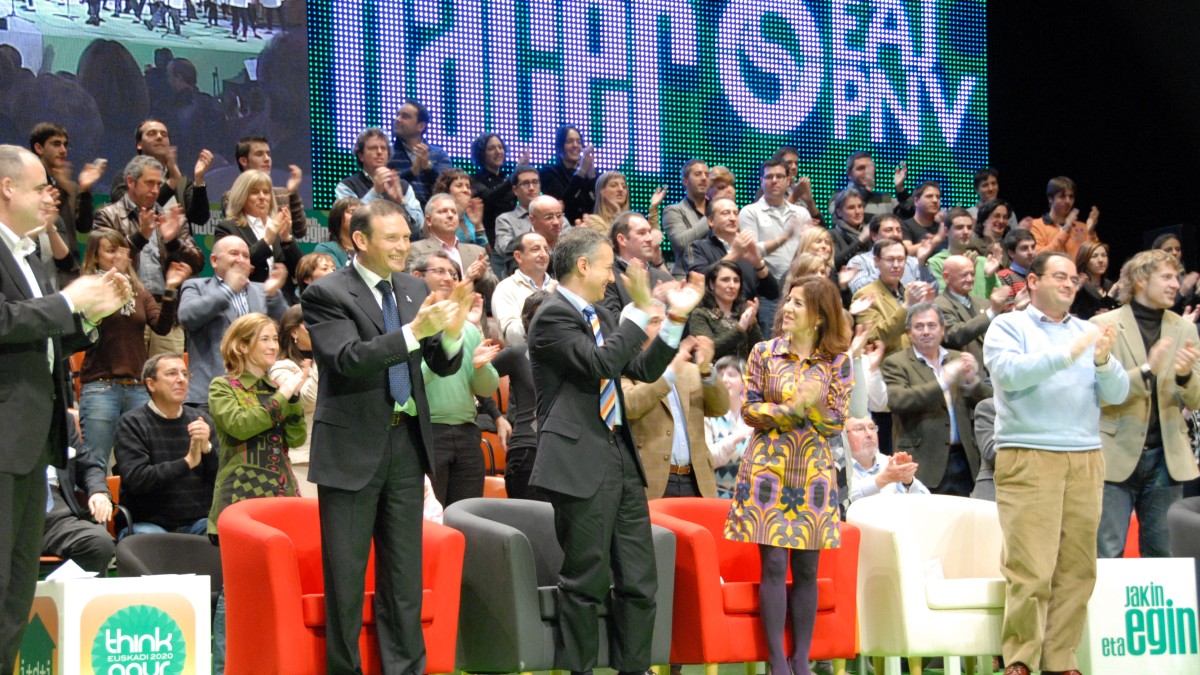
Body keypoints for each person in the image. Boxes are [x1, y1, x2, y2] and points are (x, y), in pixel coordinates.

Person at [301, 198, 471, 673]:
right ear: (360, 240)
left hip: (406, 444)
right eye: (392, 238)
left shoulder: (414, 287)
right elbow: (349, 359)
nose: (403, 247)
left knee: (404, 578)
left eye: (405, 237)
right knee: (347, 579)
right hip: (351, 450)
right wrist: (416, 332)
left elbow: (441, 360)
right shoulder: (327, 293)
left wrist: (453, 331)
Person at [527, 227, 704, 673]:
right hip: (578, 459)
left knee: (640, 581)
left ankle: (635, 668)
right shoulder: (552, 316)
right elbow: (600, 364)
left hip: (620, 457)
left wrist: (675, 321)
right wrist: (637, 314)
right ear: (583, 265)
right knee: (585, 581)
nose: (611, 277)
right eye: (608, 266)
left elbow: (640, 368)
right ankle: (581, 670)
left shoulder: (602, 314)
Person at [0, 144, 129, 666]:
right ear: (7, 188)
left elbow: (46, 337)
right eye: (38, 186)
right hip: (5, 441)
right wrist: (71, 301)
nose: (49, 196)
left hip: (35, 445)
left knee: (15, 594)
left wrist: (92, 315)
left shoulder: (30, 254)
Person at [983, 251, 1129, 675]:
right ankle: (1020, 659)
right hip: (1028, 455)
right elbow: (1009, 375)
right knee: (1031, 568)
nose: (1069, 284)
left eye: (1073, 278)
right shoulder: (1007, 326)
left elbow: (1118, 393)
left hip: (1085, 457)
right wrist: (1069, 354)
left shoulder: (1088, 331)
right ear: (1032, 282)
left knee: (1078, 568)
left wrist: (1100, 360)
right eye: (1059, 276)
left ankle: (1060, 659)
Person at [723, 276, 852, 675]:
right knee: (775, 565)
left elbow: (835, 423)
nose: (788, 309)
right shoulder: (764, 352)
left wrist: (808, 410)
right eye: (788, 301)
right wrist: (794, 409)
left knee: (808, 570)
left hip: (812, 473)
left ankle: (801, 659)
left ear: (819, 316)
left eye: (799, 303)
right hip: (768, 470)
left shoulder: (838, 361)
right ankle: (777, 662)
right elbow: (750, 410)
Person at [206, 312, 308, 671]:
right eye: (264, 339)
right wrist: (283, 394)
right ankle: (225, 666)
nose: (272, 346)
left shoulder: (274, 391)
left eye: (274, 340)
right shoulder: (224, 387)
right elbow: (241, 425)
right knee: (237, 592)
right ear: (242, 345)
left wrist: (292, 396)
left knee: (280, 589)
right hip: (240, 501)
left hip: (281, 497)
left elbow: (297, 437)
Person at [1093, 249, 1200, 558]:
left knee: (1164, 554)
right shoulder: (1104, 326)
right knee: (1107, 551)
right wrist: (1147, 370)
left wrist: (1183, 377)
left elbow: (1195, 398)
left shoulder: (1185, 328)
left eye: (1176, 278)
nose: (1175, 285)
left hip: (1167, 458)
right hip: (1115, 453)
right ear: (1140, 280)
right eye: (1166, 277)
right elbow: (1098, 392)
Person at [77, 229, 189, 472]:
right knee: (97, 463)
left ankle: (131, 510)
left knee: (139, 462)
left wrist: (170, 289)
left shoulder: (138, 291)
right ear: (95, 257)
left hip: (137, 387)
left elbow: (162, 326)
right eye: (110, 251)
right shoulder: (86, 288)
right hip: (101, 386)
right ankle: (95, 509)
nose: (117, 256)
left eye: (121, 250)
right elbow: (81, 329)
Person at [410, 251, 500, 506]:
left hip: (467, 433)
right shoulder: (412, 326)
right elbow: (408, 382)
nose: (448, 278)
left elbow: (487, 387)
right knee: (429, 521)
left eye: (453, 273)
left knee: (466, 517)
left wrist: (481, 368)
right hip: (426, 433)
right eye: (440, 271)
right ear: (417, 277)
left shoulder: (469, 329)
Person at [882, 303, 991, 497]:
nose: (926, 331)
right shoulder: (896, 363)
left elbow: (987, 402)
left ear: (942, 329)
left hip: (964, 459)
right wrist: (943, 382)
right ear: (909, 332)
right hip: (922, 460)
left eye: (932, 326)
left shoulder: (958, 358)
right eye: (919, 326)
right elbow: (899, 401)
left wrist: (973, 381)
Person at [622, 304, 728, 499]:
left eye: (666, 321)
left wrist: (706, 369)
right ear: (633, 331)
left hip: (697, 481)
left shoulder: (688, 369)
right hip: (651, 482)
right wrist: (669, 373)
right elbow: (631, 405)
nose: (663, 327)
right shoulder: (623, 369)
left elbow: (721, 407)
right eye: (655, 321)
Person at [112, 353, 219, 537]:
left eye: (185, 374)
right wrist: (186, 463)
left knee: (222, 532)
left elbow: (220, 479)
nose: (181, 380)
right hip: (147, 522)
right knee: (153, 541)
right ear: (151, 384)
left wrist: (207, 450)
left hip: (197, 521)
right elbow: (137, 480)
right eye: (171, 374)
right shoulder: (132, 423)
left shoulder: (201, 420)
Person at [178, 236, 288, 409]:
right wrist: (228, 289)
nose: (241, 259)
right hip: (211, 395)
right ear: (214, 260)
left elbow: (285, 328)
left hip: (259, 394)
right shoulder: (196, 286)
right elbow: (187, 316)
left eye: (245, 255)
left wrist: (274, 296)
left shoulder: (262, 291)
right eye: (234, 254)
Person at [42, 417, 115, 574]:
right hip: (10, 507)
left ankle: (64, 595)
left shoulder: (59, 418)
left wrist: (98, 491)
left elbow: (88, 467)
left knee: (99, 542)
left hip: (55, 513)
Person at [677, 197, 778, 305]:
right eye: (726, 213)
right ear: (711, 221)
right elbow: (697, 282)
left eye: (735, 213)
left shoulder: (747, 250)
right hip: (711, 317)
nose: (733, 218)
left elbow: (772, 293)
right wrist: (734, 254)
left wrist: (758, 264)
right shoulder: (697, 247)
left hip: (747, 317)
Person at [215, 169, 303, 289]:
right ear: (242, 196)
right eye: (254, 192)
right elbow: (230, 268)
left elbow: (301, 272)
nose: (262, 197)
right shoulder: (227, 228)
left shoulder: (278, 226)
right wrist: (266, 241)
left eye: (266, 192)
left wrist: (286, 239)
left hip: (283, 301)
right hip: (247, 297)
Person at [409, 193, 499, 300]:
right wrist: (467, 279)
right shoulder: (414, 250)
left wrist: (482, 275)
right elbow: (411, 291)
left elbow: (496, 292)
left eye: (454, 212)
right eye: (443, 211)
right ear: (428, 220)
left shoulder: (477, 252)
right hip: (436, 314)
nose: (450, 215)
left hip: (474, 313)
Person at [334, 128, 424, 229]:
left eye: (383, 148)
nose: (379, 152)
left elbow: (419, 226)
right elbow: (348, 224)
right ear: (361, 156)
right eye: (373, 148)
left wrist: (401, 202)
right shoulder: (347, 186)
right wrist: (375, 191)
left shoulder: (403, 186)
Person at [269, 305, 319, 467]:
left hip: (333, 452)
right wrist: (322, 353)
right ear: (294, 332)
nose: (319, 329)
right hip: (303, 455)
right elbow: (309, 398)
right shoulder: (281, 368)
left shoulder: (329, 361)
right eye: (311, 324)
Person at [686, 259, 762, 362]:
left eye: (736, 281)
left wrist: (752, 323)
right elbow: (708, 351)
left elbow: (760, 351)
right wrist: (740, 328)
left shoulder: (742, 314)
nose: (732, 286)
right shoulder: (700, 314)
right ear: (712, 284)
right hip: (714, 375)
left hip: (742, 375)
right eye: (725, 280)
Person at [492, 232, 556, 345]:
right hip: (527, 358)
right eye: (536, 249)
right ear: (518, 256)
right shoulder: (505, 288)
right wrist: (545, 300)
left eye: (546, 249)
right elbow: (512, 336)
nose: (543, 254)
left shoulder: (560, 286)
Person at [845, 417, 928, 502]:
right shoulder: (838, 467)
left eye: (872, 428)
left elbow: (927, 500)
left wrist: (908, 482)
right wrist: (884, 479)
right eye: (859, 429)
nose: (869, 434)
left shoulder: (889, 462)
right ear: (843, 437)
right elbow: (845, 499)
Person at [389, 100, 453, 206]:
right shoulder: (387, 154)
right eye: (397, 115)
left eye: (405, 116)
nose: (397, 119)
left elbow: (447, 188)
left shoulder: (439, 155)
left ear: (421, 126)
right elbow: (385, 187)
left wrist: (428, 168)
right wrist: (412, 172)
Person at [704, 356, 751, 499]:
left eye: (731, 375)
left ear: (744, 382)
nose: (724, 380)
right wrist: (736, 438)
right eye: (720, 375)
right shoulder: (707, 415)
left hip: (750, 498)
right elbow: (708, 459)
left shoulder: (754, 415)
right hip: (716, 495)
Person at [539, 124, 596, 226]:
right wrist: (581, 172)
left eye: (579, 142)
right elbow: (563, 203)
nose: (575, 145)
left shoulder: (589, 175)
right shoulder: (548, 173)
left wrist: (591, 175)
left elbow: (597, 202)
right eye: (569, 141)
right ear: (560, 146)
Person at [1028, 176, 1099, 258]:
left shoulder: (1082, 227)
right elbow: (1039, 257)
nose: (1068, 201)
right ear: (1050, 198)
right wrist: (1066, 230)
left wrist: (1090, 232)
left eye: (1071, 196)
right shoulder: (1036, 225)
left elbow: (1094, 257)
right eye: (1062, 196)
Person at [661, 158, 710, 253]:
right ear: (685, 181)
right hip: (689, 267)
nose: (704, 178)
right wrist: (711, 217)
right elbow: (681, 242)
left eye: (707, 175)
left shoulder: (716, 207)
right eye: (698, 174)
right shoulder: (673, 211)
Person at [432, 167, 487, 247]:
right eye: (459, 186)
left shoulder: (469, 216)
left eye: (468, 187)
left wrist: (478, 225)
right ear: (447, 191)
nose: (465, 190)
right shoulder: (438, 216)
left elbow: (487, 254)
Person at [1070, 240, 1118, 319]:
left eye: (1104, 255)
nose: (1101, 260)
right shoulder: (1078, 287)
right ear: (1084, 260)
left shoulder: (1109, 285)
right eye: (1094, 256)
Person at [313, 197, 362, 269]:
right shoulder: (325, 249)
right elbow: (337, 278)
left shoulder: (371, 249)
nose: (359, 216)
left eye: (361, 213)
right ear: (337, 217)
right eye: (352, 211)